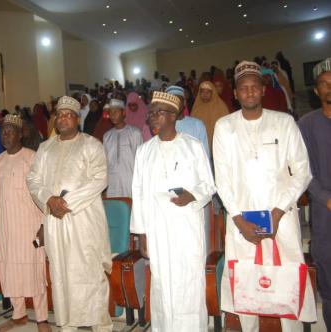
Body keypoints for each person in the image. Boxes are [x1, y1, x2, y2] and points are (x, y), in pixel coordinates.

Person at [214, 61, 317, 331]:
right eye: (243, 88)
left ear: (263, 90)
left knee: (286, 283)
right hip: (242, 220)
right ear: (235, 94)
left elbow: (303, 172)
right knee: (247, 282)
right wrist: (237, 219)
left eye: (254, 87)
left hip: (281, 216)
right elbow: (222, 179)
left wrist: (279, 211)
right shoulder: (224, 127)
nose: (249, 93)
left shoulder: (283, 122)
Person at [130, 91, 215, 331]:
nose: (152, 118)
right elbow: (138, 193)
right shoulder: (144, 151)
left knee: (189, 282)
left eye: (158, 113)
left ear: (174, 116)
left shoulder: (193, 146)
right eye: (151, 113)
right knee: (161, 284)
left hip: (186, 226)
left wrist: (192, 195)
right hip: (156, 227)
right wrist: (142, 234)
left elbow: (208, 185)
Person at [27, 96, 112, 331]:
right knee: (61, 271)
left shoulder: (91, 144)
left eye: (68, 114)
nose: (62, 118)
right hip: (55, 221)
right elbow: (33, 178)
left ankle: (100, 325)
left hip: (83, 218)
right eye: (59, 114)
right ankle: (67, 325)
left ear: (77, 119)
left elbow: (99, 179)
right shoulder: (45, 148)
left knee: (89, 271)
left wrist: (65, 203)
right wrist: (49, 200)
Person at [0, 115, 50, 332]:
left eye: (9, 131)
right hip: (6, 227)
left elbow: (43, 194)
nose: (5, 135)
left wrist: (44, 225)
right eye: (2, 132)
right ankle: (19, 315)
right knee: (10, 269)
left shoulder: (32, 158)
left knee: (34, 270)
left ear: (20, 134)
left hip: (30, 226)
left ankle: (42, 318)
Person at [298, 57, 331, 331]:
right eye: (324, 84)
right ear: (316, 91)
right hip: (325, 212)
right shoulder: (307, 124)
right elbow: (303, 169)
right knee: (329, 282)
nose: (329, 88)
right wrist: (326, 198)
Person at [103, 98, 143, 198]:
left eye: (116, 111)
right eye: (110, 112)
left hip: (130, 180)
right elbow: (105, 162)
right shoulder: (107, 136)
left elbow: (141, 161)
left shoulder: (135, 133)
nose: (112, 115)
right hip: (112, 181)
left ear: (124, 113)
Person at [166, 85, 209, 156]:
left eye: (177, 100)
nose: (174, 104)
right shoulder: (164, 126)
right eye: (171, 101)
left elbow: (205, 155)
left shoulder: (197, 125)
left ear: (184, 102)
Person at [192, 81, 230, 150]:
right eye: (202, 92)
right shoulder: (196, 108)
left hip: (218, 145)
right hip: (200, 146)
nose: (205, 94)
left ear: (212, 93)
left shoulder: (221, 107)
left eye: (208, 92)